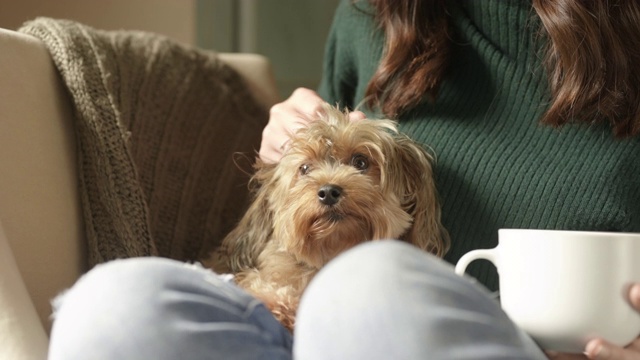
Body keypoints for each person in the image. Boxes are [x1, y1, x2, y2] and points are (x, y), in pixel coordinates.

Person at [48, 0, 640, 359]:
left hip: (541, 348)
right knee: (116, 305)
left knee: (366, 288)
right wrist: (288, 143)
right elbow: (323, 153)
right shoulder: (372, 16)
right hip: (316, 322)